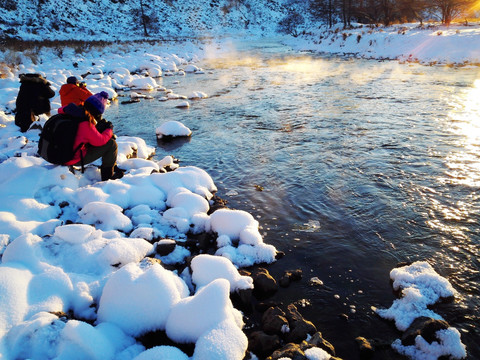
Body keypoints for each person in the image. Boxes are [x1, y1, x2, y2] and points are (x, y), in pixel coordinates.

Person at [60, 91, 123, 181]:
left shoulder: (68, 111)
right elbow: (100, 141)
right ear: (97, 113)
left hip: (57, 151)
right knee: (111, 144)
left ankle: (113, 167)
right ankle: (107, 178)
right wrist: (109, 129)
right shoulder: (85, 123)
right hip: (71, 158)